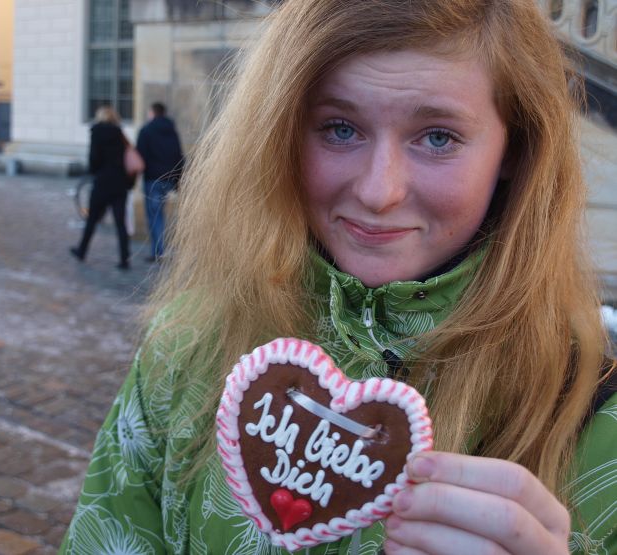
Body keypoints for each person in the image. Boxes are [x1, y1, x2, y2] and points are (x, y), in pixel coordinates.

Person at [60, 1, 616, 554]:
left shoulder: (595, 420)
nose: (379, 191)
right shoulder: (186, 348)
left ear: (514, 149)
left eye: (438, 137)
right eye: (340, 129)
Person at [70, 106, 143, 270]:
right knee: (120, 223)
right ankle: (124, 259)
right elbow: (127, 160)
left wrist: (94, 172)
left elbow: (93, 160)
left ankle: (82, 251)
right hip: (119, 184)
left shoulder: (96, 133)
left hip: (102, 183)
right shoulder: (119, 134)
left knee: (92, 220)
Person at [136, 101, 184, 262]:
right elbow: (178, 156)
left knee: (155, 216)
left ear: (152, 113)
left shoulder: (146, 131)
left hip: (153, 179)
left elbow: (140, 157)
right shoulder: (172, 131)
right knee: (159, 215)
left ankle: (158, 251)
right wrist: (177, 180)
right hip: (169, 179)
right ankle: (160, 249)